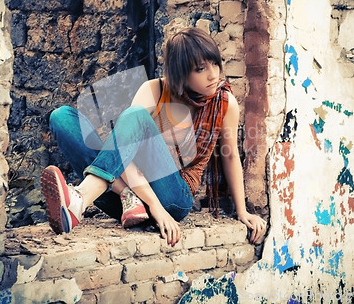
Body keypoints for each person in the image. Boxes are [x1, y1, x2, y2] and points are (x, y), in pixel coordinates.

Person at [40, 27, 267, 246]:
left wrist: (242, 211)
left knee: (135, 116)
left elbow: (230, 156)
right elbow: (123, 154)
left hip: (174, 197)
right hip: (127, 200)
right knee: (62, 117)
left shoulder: (224, 102)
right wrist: (149, 205)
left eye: (215, 64)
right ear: (180, 73)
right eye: (200, 69)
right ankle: (120, 197)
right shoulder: (154, 91)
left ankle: (81, 198)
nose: (213, 75)